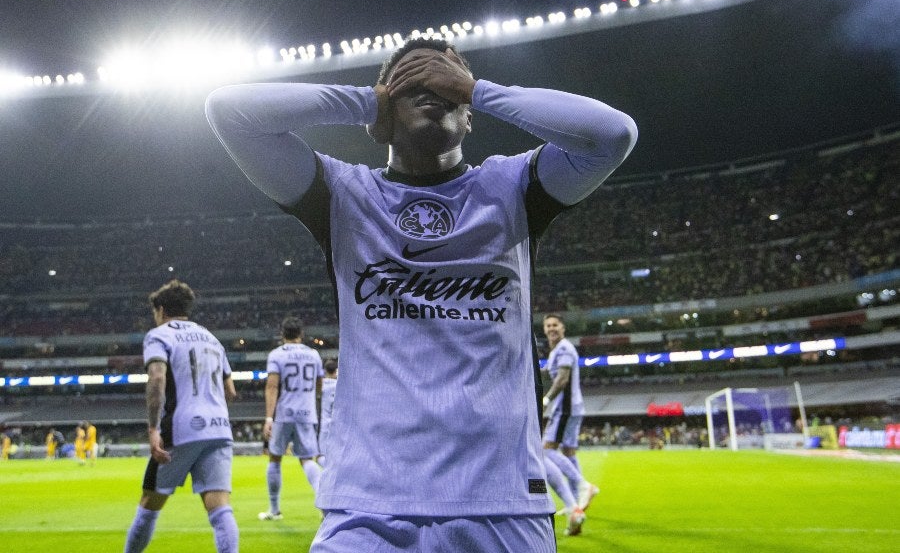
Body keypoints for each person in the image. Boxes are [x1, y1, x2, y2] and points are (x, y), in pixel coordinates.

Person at [206, 36, 637, 551]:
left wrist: (480, 90)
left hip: (502, 505)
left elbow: (613, 134)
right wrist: (368, 101)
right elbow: (228, 111)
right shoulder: (342, 194)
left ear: (470, 111)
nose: (433, 84)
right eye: (413, 80)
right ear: (385, 108)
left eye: (446, 78)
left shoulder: (513, 187)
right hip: (365, 507)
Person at [123, 279, 239, 553]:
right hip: (219, 428)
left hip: (180, 428)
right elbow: (230, 391)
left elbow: (157, 377)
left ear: (161, 310)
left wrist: (153, 428)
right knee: (220, 508)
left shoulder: (159, 334)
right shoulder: (211, 337)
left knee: (149, 505)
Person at [258, 316, 325, 521]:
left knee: (275, 457)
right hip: (306, 413)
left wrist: (269, 418)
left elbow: (272, 386)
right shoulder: (313, 354)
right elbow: (319, 384)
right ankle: (326, 505)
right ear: (301, 334)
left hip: (284, 413)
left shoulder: (277, 355)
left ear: (282, 334)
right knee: (307, 460)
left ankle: (274, 510)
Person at [542, 313, 599, 513]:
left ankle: (583, 485)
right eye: (548, 325)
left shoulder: (564, 348)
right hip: (572, 406)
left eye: (555, 325)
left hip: (565, 407)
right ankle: (578, 501)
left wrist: (546, 399)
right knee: (568, 452)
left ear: (563, 328)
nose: (551, 328)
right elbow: (548, 374)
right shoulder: (556, 350)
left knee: (546, 450)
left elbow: (562, 379)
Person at [317, 357, 338, 467]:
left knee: (322, 456)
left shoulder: (321, 385)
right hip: (340, 424)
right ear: (336, 371)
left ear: (325, 370)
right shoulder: (340, 385)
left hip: (324, 424)